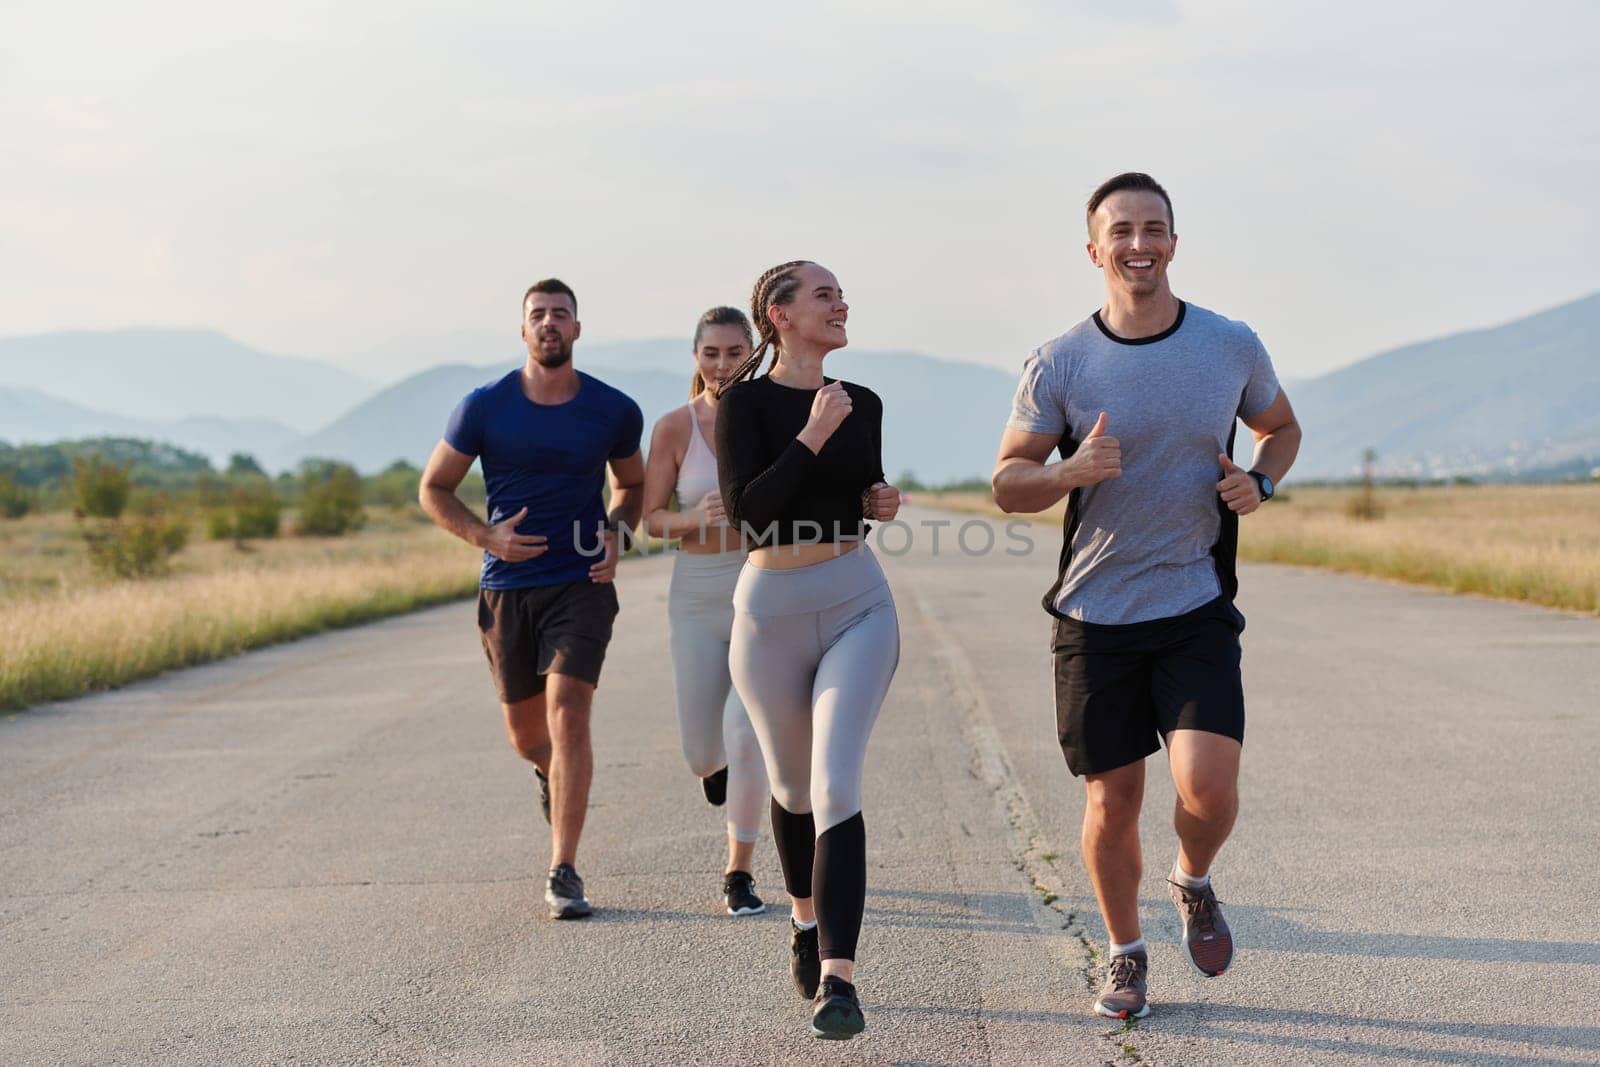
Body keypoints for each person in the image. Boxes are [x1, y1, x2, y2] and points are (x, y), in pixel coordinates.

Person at [992, 173, 1302, 1020]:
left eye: (1153, 228)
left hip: (1194, 600)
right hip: (1095, 617)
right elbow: (1008, 483)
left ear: (1174, 240)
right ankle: (1125, 953)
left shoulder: (1228, 343)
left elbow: (1281, 429)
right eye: (1120, 231)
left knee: (1207, 787)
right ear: (1094, 249)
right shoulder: (1060, 361)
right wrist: (1066, 472)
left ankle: (1193, 878)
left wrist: (1260, 484)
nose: (1139, 243)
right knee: (1113, 797)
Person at [715, 260, 902, 1041]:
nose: (840, 304)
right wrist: (812, 433)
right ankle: (801, 916)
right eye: (824, 294)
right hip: (769, 613)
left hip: (858, 600)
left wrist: (878, 501)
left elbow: (863, 490)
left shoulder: (866, 401)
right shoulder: (745, 403)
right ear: (778, 313)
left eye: (840, 294)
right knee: (791, 789)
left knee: (835, 785)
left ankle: (839, 976)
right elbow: (748, 512)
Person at [419, 278, 644, 921]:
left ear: (577, 329)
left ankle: (563, 866)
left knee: (569, 711)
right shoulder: (483, 407)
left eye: (561, 314)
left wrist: (617, 532)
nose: (549, 323)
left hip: (582, 583)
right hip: (507, 590)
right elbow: (434, 489)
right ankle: (552, 776)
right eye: (538, 315)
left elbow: (630, 484)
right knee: (527, 738)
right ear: (523, 330)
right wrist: (483, 535)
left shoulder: (613, 409)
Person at [641, 306, 770, 917]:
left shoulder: (776, 418)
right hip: (695, 594)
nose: (723, 365)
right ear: (696, 358)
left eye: (733, 352)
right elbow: (652, 519)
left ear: (754, 351)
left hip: (762, 591)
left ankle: (738, 872)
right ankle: (713, 769)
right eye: (710, 354)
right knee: (703, 749)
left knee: (746, 734)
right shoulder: (673, 428)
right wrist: (698, 517)